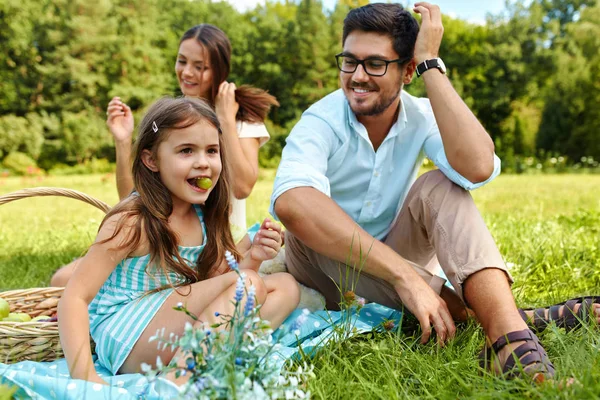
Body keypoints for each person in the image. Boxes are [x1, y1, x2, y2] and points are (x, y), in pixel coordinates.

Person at [270, 2, 599, 381]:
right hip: (321, 264)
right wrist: (404, 277)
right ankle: (516, 320)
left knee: (441, 184)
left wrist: (430, 63)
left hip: (395, 248)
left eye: (375, 64)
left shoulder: (422, 114)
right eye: (349, 61)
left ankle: (507, 342)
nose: (357, 76)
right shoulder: (321, 120)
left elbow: (477, 166)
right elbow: (293, 203)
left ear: (407, 70)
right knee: (317, 225)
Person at [58, 97, 300, 384]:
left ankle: (206, 360)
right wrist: (85, 376)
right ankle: (175, 384)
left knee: (286, 287)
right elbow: (74, 297)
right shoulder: (133, 221)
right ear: (151, 160)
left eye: (212, 151)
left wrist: (256, 255)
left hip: (173, 321)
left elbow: (212, 285)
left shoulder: (204, 214)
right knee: (247, 284)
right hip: (128, 335)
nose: (203, 163)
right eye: (186, 151)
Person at [50, 24, 278, 287]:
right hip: (162, 232)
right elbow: (133, 197)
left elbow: (242, 187)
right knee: (62, 279)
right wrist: (124, 141)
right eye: (182, 61)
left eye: (199, 66)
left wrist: (224, 119)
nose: (187, 72)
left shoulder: (240, 119)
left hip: (217, 236)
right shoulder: (171, 120)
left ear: (219, 70)